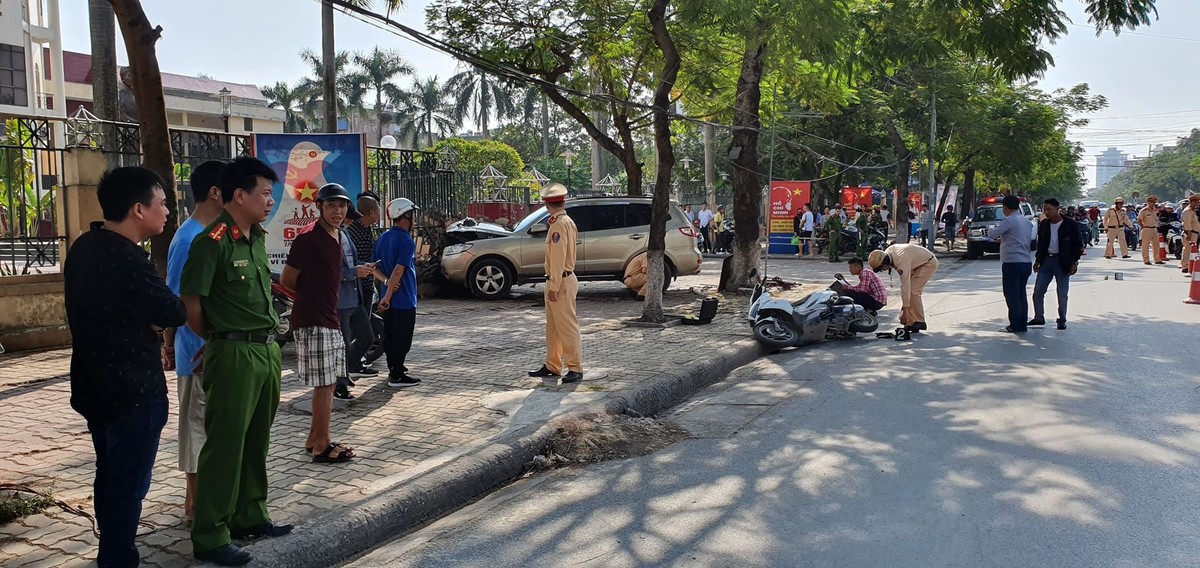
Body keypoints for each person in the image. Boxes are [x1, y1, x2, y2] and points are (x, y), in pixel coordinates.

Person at [65, 167, 185, 568]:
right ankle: (117, 558)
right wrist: (156, 321)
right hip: (133, 392)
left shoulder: (84, 246)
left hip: (93, 386)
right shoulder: (128, 258)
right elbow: (172, 310)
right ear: (138, 209)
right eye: (162, 203)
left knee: (109, 475)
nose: (167, 211)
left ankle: (112, 553)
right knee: (128, 485)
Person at [181, 156, 291, 566]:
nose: (270, 201)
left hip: (266, 349)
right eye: (265, 193)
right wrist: (218, 340)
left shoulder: (257, 238)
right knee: (225, 444)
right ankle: (210, 534)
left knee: (256, 439)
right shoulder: (211, 241)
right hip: (233, 352)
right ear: (239, 196)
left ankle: (250, 515)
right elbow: (191, 304)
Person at [165, 160, 225, 523]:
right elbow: (180, 303)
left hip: (211, 352)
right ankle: (195, 507)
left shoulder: (213, 234)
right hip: (197, 354)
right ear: (216, 193)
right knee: (196, 429)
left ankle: (206, 505)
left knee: (210, 428)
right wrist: (180, 345)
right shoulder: (189, 239)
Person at [282, 183, 359, 462]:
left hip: (331, 316)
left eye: (342, 206)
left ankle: (316, 438)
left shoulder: (338, 235)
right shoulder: (308, 238)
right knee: (325, 384)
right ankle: (321, 446)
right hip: (313, 319)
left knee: (328, 383)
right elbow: (287, 280)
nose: (338, 211)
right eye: (331, 206)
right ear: (319, 207)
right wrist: (312, 298)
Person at [527, 183, 584, 383]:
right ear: (563, 202)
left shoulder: (559, 225)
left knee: (567, 327)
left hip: (561, 281)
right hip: (561, 279)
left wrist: (554, 286)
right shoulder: (564, 221)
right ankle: (553, 365)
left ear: (546, 205)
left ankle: (575, 367)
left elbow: (558, 258)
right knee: (553, 329)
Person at [374, 197, 422, 388]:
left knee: (390, 334)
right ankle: (397, 375)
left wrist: (386, 284)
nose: (414, 220)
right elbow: (399, 270)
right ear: (406, 216)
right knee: (402, 338)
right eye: (412, 215)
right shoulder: (406, 241)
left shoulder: (383, 238)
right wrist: (388, 295)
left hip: (388, 299)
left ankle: (394, 367)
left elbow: (374, 268)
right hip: (403, 298)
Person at [336, 198, 378, 396]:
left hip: (356, 295)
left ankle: (349, 369)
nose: (349, 221)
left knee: (366, 336)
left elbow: (351, 261)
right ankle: (339, 383)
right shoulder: (326, 237)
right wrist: (354, 272)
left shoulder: (345, 234)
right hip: (340, 299)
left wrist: (363, 266)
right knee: (343, 342)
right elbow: (328, 270)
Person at [1030, 198, 1083, 330]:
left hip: (1063, 262)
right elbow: (1041, 244)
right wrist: (1037, 260)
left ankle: (1062, 319)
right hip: (1046, 262)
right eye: (1045, 210)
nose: (1047, 212)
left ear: (1057, 209)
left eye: (1049, 209)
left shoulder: (1070, 224)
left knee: (1062, 294)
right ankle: (1039, 317)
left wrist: (1074, 262)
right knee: (1038, 292)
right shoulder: (1044, 224)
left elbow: (1077, 245)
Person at [868, 243, 938, 333]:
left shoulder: (901, 260)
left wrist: (904, 311)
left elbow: (905, 285)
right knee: (909, 292)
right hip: (916, 264)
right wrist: (904, 310)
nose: (882, 270)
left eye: (881, 268)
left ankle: (919, 321)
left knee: (913, 291)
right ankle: (911, 322)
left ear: (884, 263)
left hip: (928, 263)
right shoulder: (889, 253)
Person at [989, 195, 1034, 333]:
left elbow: (993, 234)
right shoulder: (1026, 221)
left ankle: (1015, 325)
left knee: (1012, 294)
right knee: (1021, 294)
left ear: (1005, 208)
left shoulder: (1009, 220)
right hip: (1025, 261)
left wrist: (991, 229)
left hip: (1012, 262)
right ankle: (1022, 323)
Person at [1138, 195, 1162, 265]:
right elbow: (1139, 219)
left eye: (1154, 202)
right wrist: (1142, 226)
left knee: (1156, 245)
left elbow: (1156, 219)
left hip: (1154, 228)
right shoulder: (1144, 210)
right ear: (1148, 202)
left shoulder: (1155, 210)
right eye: (1151, 202)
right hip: (1146, 228)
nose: (1153, 203)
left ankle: (1157, 259)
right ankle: (1146, 260)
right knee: (1145, 245)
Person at [1181, 194, 1200, 273]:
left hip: (1194, 233)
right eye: (1195, 202)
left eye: (1197, 202)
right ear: (1191, 202)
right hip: (1190, 233)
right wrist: (1189, 234)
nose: (1197, 204)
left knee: (1191, 251)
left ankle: (1189, 265)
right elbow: (1187, 224)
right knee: (1187, 250)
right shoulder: (1187, 211)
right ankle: (1185, 266)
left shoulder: (1193, 211)